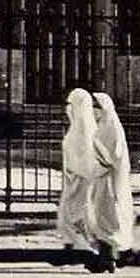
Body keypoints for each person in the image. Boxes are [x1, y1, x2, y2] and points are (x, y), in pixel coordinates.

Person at [90, 92, 135, 270]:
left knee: (108, 214)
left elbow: (113, 155)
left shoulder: (111, 127)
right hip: (99, 177)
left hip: (109, 178)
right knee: (101, 214)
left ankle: (108, 258)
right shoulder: (98, 126)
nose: (93, 110)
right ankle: (112, 256)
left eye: (96, 107)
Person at [57, 88, 100, 259]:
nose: (68, 108)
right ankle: (74, 243)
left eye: (71, 104)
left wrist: (75, 170)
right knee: (71, 211)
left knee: (77, 211)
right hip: (73, 178)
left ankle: (84, 245)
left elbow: (86, 158)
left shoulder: (85, 131)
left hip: (80, 178)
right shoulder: (76, 129)